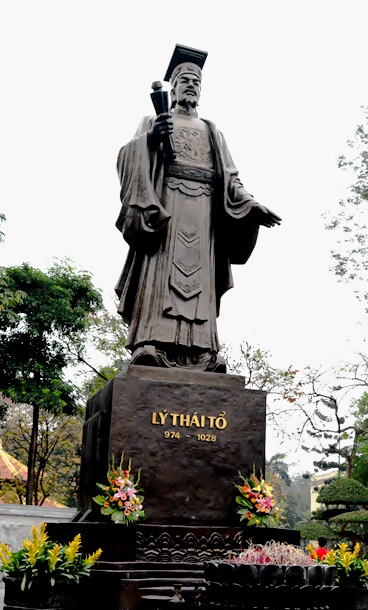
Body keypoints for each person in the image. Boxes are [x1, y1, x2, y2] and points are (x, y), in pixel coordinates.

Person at [114, 45, 280, 373]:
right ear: (172, 87)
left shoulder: (212, 131)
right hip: (166, 211)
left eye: (196, 82)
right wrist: (149, 140)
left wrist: (250, 205)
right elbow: (126, 157)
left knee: (200, 284)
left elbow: (231, 179)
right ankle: (151, 344)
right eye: (185, 80)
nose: (191, 85)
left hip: (204, 216)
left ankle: (202, 352)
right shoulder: (153, 119)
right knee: (161, 276)